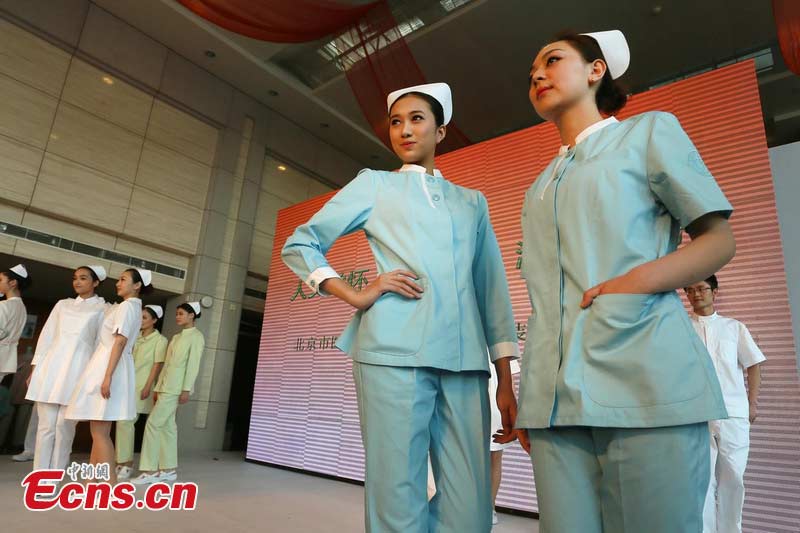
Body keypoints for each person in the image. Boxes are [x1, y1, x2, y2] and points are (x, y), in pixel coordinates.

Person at [516, 30, 736, 532]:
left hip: (644, 379)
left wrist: (632, 283)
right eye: (531, 71)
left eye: (551, 60)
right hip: (555, 404)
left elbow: (717, 241)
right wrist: (533, 394)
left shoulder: (649, 132)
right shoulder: (539, 187)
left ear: (597, 71)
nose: (536, 74)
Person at [281, 82, 519, 532]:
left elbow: (492, 291)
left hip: (467, 363)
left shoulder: (473, 203)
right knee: (396, 494)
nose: (404, 130)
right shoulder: (374, 184)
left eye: (416, 119)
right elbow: (301, 243)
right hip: (391, 352)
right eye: (396, 122)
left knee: (470, 508)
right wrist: (352, 293)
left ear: (441, 131)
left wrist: (505, 378)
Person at [684, 275, 765, 533]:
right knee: (701, 482)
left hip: (734, 414)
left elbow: (753, 365)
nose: (696, 294)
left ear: (714, 292)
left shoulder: (734, 327)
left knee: (734, 478)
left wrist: (752, 403)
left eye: (702, 289)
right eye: (690, 290)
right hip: (696, 415)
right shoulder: (681, 328)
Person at [65, 269, 150, 484]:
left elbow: (119, 342)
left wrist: (107, 376)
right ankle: (93, 481)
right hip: (112, 364)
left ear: (137, 285)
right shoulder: (131, 307)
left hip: (109, 365)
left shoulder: (127, 307)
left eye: (123, 280)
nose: (118, 283)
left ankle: (110, 485)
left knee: (99, 432)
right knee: (100, 429)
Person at [25, 266, 108, 471]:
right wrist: (35, 369)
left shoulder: (103, 309)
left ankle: (55, 474)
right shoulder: (63, 305)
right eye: (75, 278)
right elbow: (47, 337)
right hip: (51, 368)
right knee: (45, 426)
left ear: (95, 282)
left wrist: (95, 377)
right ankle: (39, 476)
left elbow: (100, 344)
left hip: (78, 370)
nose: (77, 282)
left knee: (64, 426)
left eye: (83, 278)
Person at [131, 302, 204, 485]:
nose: (177, 317)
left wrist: (187, 389)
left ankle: (149, 471)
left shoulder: (197, 337)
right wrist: (157, 388)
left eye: (181, 314)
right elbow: (167, 365)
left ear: (191, 315)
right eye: (177, 314)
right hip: (165, 388)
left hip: (176, 389)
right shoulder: (177, 337)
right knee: (168, 428)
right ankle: (168, 470)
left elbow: (193, 366)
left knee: (153, 425)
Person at [115, 304, 167, 480]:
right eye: (139, 317)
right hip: (127, 384)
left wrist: (147, 386)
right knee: (122, 422)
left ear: (154, 320)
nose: (140, 321)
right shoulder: (134, 336)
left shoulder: (160, 341)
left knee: (127, 422)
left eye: (144, 318)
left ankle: (127, 464)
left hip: (141, 387)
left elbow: (157, 365)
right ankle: (121, 462)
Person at [0, 264, 30, 379]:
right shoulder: (22, 308)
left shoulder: (4, 305)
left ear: (12, 283)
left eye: (1, 280)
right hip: (5, 360)